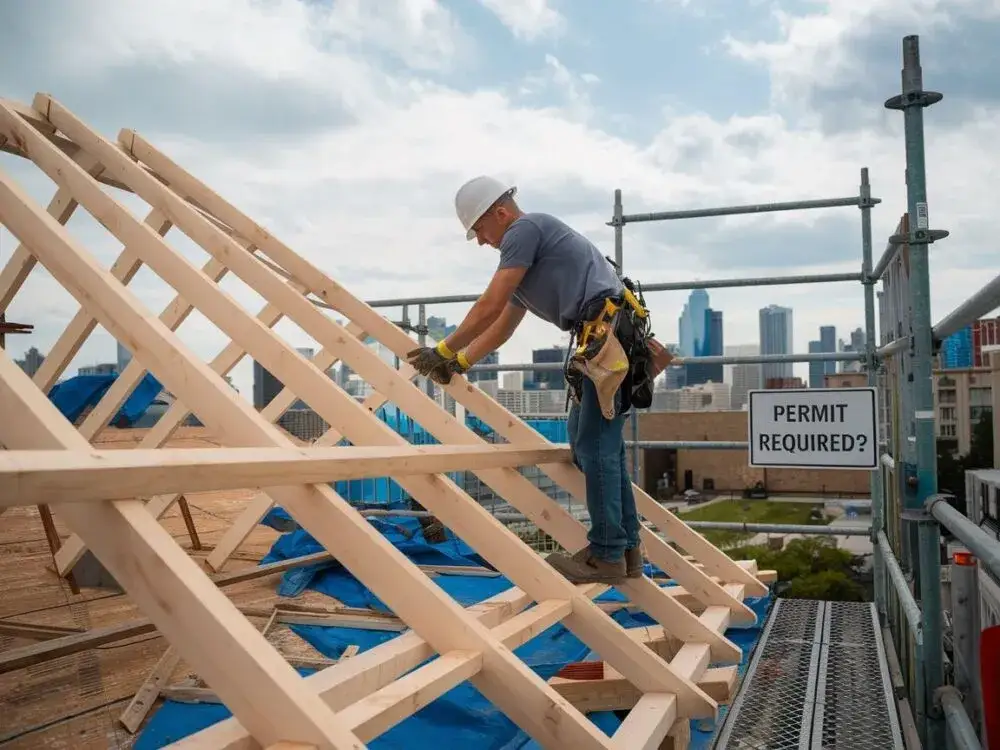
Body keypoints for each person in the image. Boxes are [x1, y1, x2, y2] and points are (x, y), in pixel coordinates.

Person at [406, 175, 676, 584]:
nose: (481, 242)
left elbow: (489, 304)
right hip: (603, 339)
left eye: (480, 230)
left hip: (608, 338)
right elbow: (502, 324)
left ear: (500, 213)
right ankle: (626, 549)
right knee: (592, 445)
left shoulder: (524, 230)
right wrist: (459, 361)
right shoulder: (530, 252)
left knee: (596, 447)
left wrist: (442, 350)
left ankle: (607, 554)